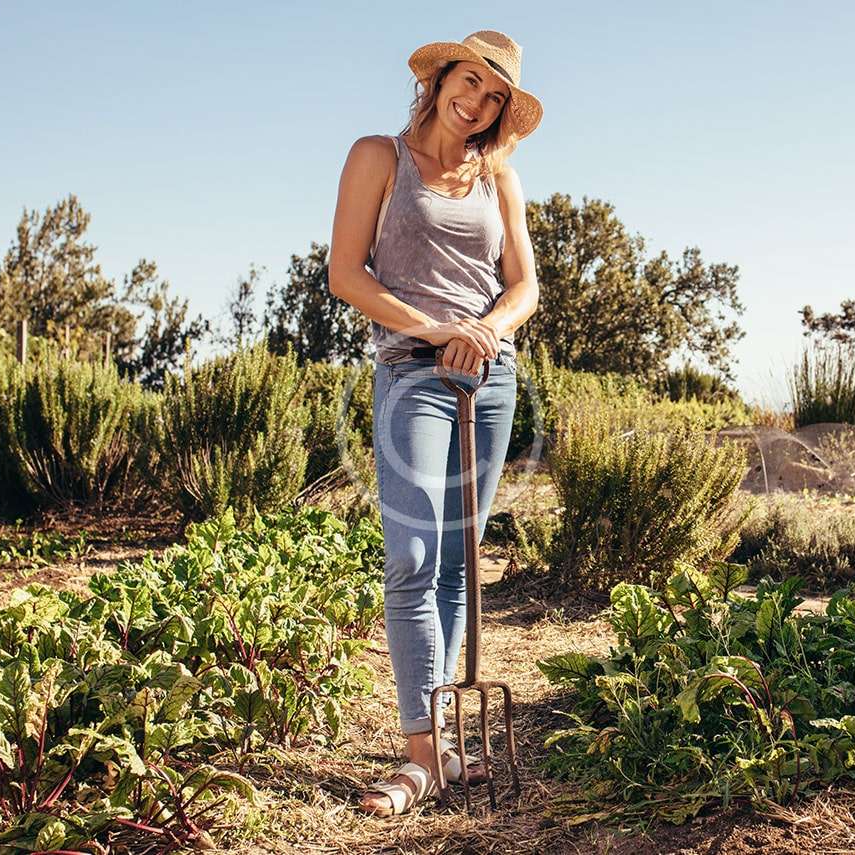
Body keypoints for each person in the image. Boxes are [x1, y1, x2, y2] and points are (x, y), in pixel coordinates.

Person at [328, 30, 542, 817]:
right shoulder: (377, 156)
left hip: (488, 376)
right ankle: (421, 756)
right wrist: (434, 329)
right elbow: (345, 273)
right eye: (470, 81)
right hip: (412, 374)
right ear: (440, 78)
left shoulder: (499, 177)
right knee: (412, 558)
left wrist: (485, 329)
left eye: (495, 96)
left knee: (458, 562)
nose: (477, 102)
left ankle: (445, 739)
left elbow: (523, 286)